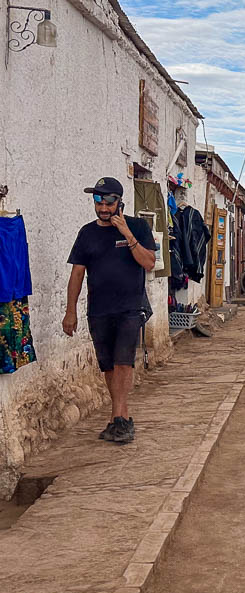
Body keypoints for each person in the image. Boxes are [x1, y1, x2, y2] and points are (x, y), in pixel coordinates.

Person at [63, 177, 158, 444]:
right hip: (99, 310)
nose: (103, 207)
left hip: (131, 307)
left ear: (119, 202)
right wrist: (70, 311)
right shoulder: (86, 233)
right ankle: (121, 419)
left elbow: (149, 263)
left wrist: (127, 234)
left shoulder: (138, 227)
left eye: (108, 202)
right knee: (107, 365)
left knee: (123, 361)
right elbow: (77, 274)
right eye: (98, 201)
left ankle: (120, 417)